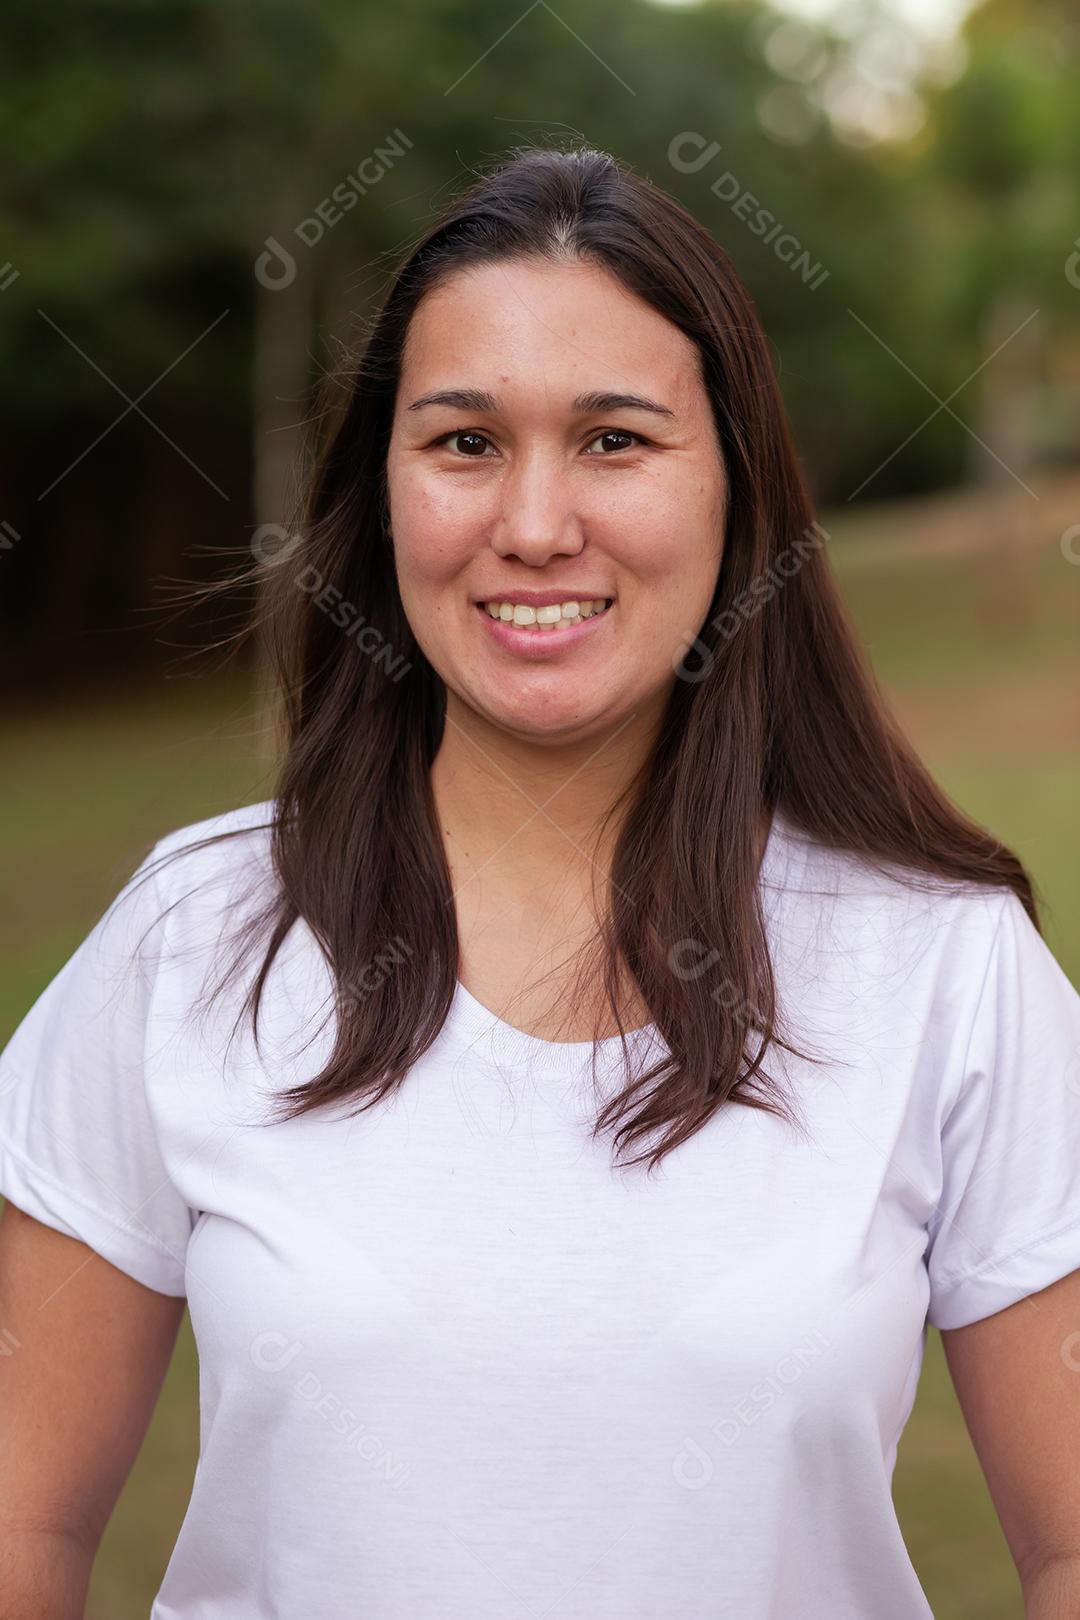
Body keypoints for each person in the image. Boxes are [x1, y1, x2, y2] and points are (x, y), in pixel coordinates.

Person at [2, 143, 1079, 1620]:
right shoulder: (194, 942)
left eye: (615, 439)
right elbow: (22, 1525)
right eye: (463, 442)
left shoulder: (945, 968)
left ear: (739, 488)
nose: (532, 523)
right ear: (382, 493)